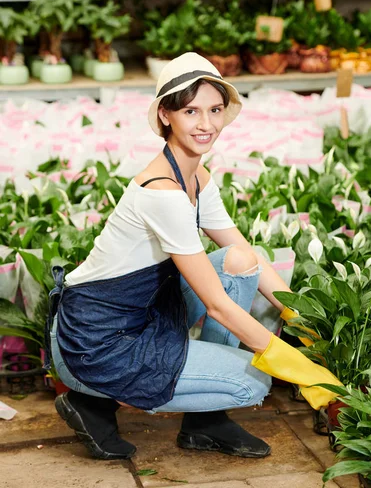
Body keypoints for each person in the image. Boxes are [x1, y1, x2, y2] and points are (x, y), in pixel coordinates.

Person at [45, 52, 341, 462]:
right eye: (191, 111)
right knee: (254, 381)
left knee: (239, 261)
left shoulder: (196, 176)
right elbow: (218, 305)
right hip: (95, 340)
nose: (207, 124)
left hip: (142, 312)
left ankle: (205, 423)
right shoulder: (161, 191)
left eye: (215, 109)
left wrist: (304, 323)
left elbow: (242, 252)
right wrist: (299, 368)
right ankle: (92, 401)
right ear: (166, 114)